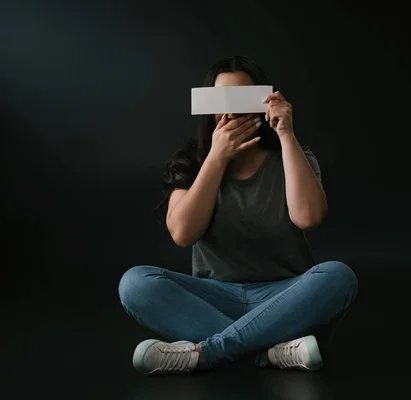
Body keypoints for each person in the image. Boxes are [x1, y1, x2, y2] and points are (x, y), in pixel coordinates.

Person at [118, 55, 357, 375]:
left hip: (284, 299)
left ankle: (207, 352)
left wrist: (286, 134)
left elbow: (309, 217)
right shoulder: (190, 162)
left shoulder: (291, 155)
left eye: (243, 98)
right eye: (221, 100)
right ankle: (272, 351)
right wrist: (216, 157)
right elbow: (183, 233)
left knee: (338, 276)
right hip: (214, 298)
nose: (232, 111)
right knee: (135, 284)